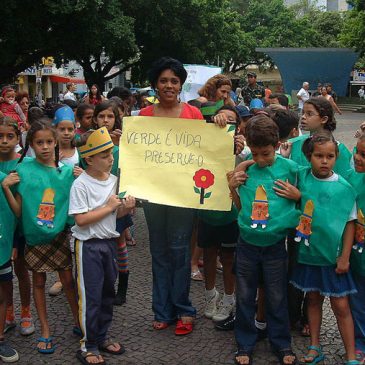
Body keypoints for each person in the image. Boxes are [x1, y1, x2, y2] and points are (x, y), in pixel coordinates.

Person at [1, 120, 80, 354]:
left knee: (67, 281)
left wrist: (84, 176)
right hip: (34, 237)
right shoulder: (23, 170)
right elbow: (18, 212)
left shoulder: (67, 172)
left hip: (59, 236)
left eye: (48, 141)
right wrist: (6, 188)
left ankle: (78, 321)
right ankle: (45, 329)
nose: (44, 147)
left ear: (56, 142)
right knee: (38, 282)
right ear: (31, 145)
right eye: (39, 142)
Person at [139, 57, 203, 335]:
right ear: (155, 84)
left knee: (179, 252)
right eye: (163, 80)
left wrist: (227, 130)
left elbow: (206, 153)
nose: (168, 85)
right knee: (159, 253)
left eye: (174, 81)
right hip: (153, 198)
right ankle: (162, 310)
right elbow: (137, 156)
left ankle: (183, 309)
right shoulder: (142, 117)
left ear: (181, 85)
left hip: (182, 198)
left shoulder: (194, 114)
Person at [228, 116, 300, 365]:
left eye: (266, 153)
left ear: (278, 144)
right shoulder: (245, 170)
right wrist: (232, 188)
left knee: (277, 296)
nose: (260, 159)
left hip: (275, 246)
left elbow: (305, 205)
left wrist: (299, 195)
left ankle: (281, 343)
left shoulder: (291, 170)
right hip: (247, 243)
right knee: (245, 297)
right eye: (255, 153)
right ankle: (244, 344)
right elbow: (240, 207)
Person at [290, 131, 359, 365]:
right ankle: (315, 346)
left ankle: (351, 355)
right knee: (312, 300)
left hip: (333, 257)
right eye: (319, 155)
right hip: (310, 255)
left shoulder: (344, 188)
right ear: (309, 156)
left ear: (337, 157)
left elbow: (351, 224)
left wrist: (345, 257)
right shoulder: (300, 178)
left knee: (341, 306)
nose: (324, 161)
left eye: (330, 156)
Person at [70, 127, 135, 365]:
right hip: (87, 246)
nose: (111, 159)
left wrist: (127, 207)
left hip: (108, 243)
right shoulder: (81, 184)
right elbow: (81, 219)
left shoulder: (115, 180)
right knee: (90, 296)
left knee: (108, 291)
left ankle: (102, 335)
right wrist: (109, 207)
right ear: (89, 159)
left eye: (111, 154)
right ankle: (88, 345)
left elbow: (115, 215)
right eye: (105, 156)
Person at [199, 106, 241, 323]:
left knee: (228, 258)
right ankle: (209, 294)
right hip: (207, 212)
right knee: (208, 255)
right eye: (223, 119)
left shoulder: (243, 150)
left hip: (231, 215)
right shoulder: (206, 145)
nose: (226, 122)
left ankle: (228, 297)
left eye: (232, 121)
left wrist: (238, 148)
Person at [0, 117, 35, 337]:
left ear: (18, 137)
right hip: (1, 228)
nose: (4, 141)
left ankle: (25, 311)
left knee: (21, 270)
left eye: (9, 136)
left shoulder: (24, 165)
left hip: (19, 228)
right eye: (0, 136)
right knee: (3, 276)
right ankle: (8, 312)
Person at [282, 98, 351, 177]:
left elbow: (346, 179)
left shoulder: (339, 149)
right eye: (303, 113)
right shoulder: (292, 144)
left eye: (309, 114)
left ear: (324, 119)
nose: (303, 117)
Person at [0, 166, 19, 362]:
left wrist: (14, 243)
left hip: (1, 246)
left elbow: (13, 214)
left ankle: (0, 339)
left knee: (2, 294)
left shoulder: (4, 180)